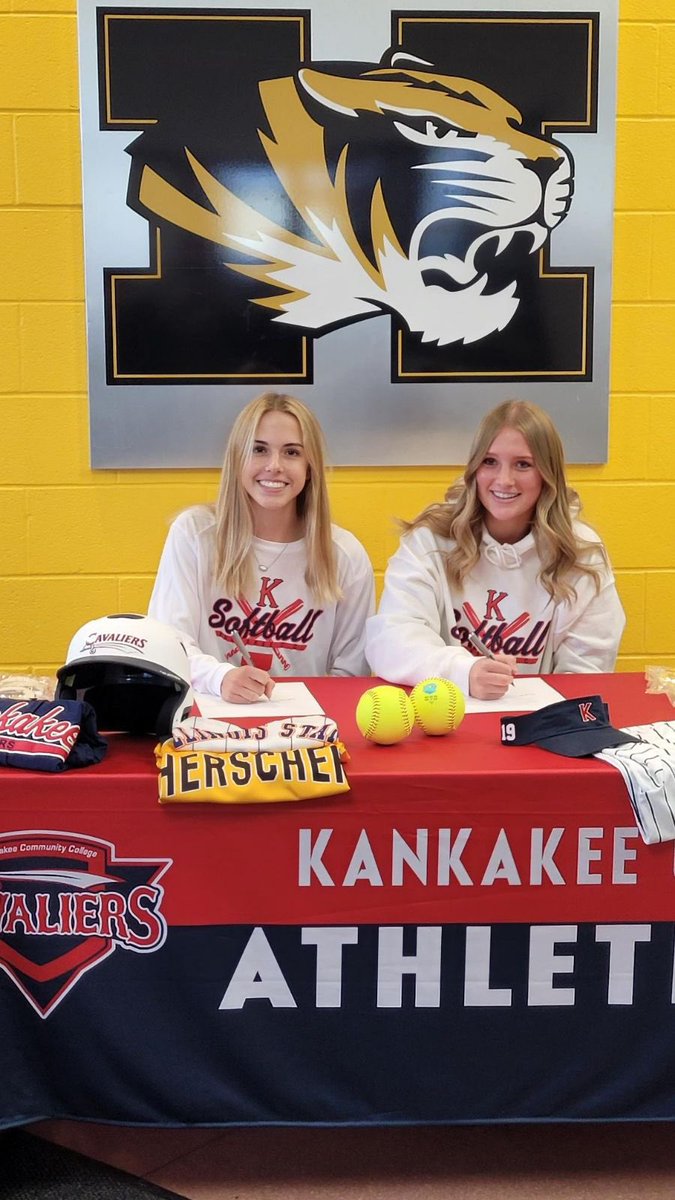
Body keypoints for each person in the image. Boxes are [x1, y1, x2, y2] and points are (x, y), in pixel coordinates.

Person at [365, 400, 625, 700]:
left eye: (523, 464)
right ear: (474, 468)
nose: (504, 480)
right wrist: (464, 671)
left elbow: (586, 674)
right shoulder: (430, 541)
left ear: (547, 474)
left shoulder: (580, 552)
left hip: (542, 725)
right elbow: (389, 640)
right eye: (490, 461)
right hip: (446, 721)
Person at [149, 392, 375, 702]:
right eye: (259, 449)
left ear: (311, 466)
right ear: (237, 458)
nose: (274, 466)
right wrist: (221, 677)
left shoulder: (344, 555)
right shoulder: (194, 535)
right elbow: (167, 646)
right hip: (204, 718)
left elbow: (352, 673)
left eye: (292, 452)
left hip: (307, 728)